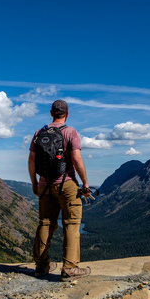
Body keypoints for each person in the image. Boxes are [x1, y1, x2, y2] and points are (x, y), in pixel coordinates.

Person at [28, 99, 93, 281]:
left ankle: (41, 266)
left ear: (51, 113)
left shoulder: (39, 133)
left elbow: (32, 160)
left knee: (45, 223)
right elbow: (76, 158)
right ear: (67, 113)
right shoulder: (70, 132)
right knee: (71, 224)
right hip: (67, 184)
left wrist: (34, 182)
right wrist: (85, 183)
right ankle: (70, 268)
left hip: (44, 184)